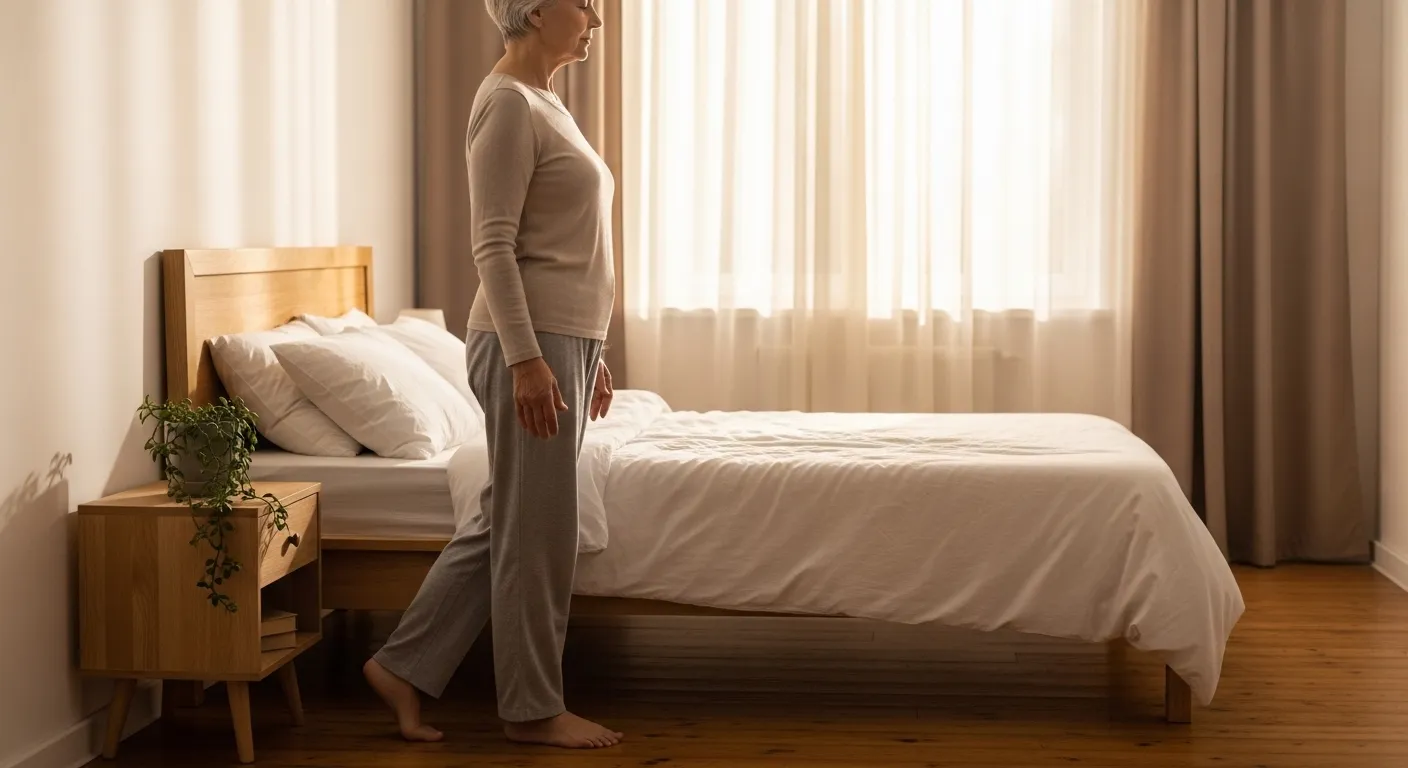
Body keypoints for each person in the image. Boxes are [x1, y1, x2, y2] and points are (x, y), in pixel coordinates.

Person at [362, 0, 623, 750]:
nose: (597, 21)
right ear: (536, 11)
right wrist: (528, 360)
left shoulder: (544, 102)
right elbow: (494, 246)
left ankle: (403, 665)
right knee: (540, 534)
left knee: (508, 519)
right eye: (586, 5)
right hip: (528, 343)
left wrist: (590, 351)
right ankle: (533, 708)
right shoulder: (506, 103)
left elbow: (567, 247)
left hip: (559, 339)